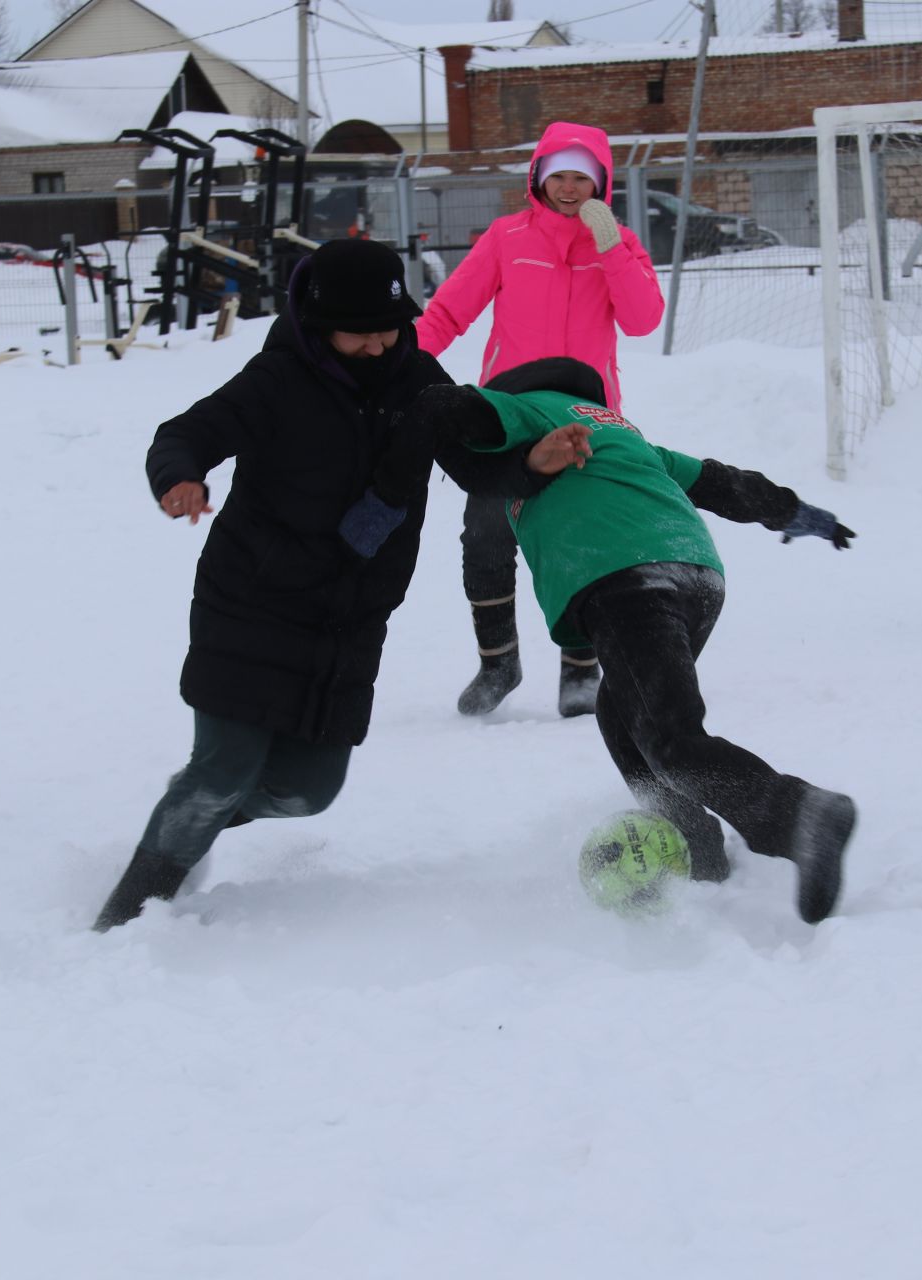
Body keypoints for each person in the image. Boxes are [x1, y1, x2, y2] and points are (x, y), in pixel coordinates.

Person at [93, 240, 591, 931]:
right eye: (360, 330)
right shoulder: (277, 379)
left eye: (388, 327)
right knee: (222, 770)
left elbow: (478, 467)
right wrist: (180, 476)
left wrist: (532, 464)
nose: (378, 344)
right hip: (252, 598)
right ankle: (126, 917)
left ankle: (190, 820)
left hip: (352, 615)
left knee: (307, 789)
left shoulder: (418, 378)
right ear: (318, 321)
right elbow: (189, 431)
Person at [418, 356, 859, 924]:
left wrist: (424, 407)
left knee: (668, 737)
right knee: (623, 717)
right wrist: (803, 515)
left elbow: (465, 410)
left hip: (623, 579)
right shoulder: (622, 432)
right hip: (696, 578)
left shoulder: (527, 410)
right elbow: (725, 484)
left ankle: (797, 814)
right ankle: (698, 849)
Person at [416, 121, 665, 719]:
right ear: (539, 176)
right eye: (559, 175)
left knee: (578, 538)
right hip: (505, 409)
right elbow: (451, 308)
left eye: (583, 176)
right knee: (486, 528)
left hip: (587, 414)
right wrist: (404, 364)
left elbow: (642, 319)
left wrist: (610, 247)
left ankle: (581, 669)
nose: (570, 187)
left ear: (601, 182)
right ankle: (498, 662)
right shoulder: (507, 237)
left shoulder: (619, 243)